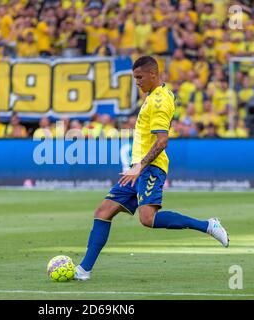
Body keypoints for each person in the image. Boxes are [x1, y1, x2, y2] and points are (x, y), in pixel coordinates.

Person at [74, 56, 230, 281]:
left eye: (139, 77)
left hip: (150, 167)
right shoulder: (155, 95)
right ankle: (83, 270)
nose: (136, 82)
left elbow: (162, 141)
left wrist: (140, 166)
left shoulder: (159, 102)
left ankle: (208, 225)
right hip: (136, 168)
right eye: (134, 77)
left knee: (148, 219)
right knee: (103, 212)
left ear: (153, 74)